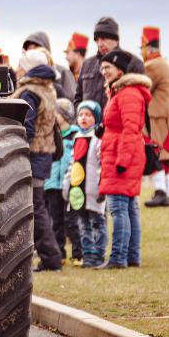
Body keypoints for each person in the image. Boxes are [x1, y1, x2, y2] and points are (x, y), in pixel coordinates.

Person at [98, 49, 151, 269]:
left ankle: (118, 257)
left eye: (107, 67)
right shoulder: (120, 92)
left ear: (120, 69)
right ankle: (131, 256)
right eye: (102, 68)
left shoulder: (128, 94)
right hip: (119, 153)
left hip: (121, 156)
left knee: (119, 208)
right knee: (129, 208)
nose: (104, 71)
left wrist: (122, 160)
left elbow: (131, 129)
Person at [12, 48, 62, 272]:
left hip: (31, 156)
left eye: (21, 65)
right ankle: (50, 257)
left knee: (34, 207)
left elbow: (26, 128)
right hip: (44, 154)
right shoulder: (47, 89)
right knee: (37, 206)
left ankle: (51, 258)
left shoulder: (29, 92)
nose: (18, 69)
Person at [140, 27, 169, 208]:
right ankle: (166, 193)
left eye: (142, 48)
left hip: (157, 116)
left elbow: (142, 85)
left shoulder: (153, 66)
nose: (141, 52)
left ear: (148, 47)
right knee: (163, 157)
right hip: (165, 114)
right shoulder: (162, 63)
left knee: (154, 153)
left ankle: (160, 192)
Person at [64, 100, 105, 268]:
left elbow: (102, 163)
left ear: (96, 118)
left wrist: (102, 186)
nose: (84, 118)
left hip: (93, 189)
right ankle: (87, 255)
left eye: (88, 115)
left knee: (97, 223)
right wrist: (67, 185)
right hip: (78, 191)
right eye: (81, 115)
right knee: (83, 224)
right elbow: (72, 164)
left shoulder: (98, 138)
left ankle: (98, 255)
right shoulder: (77, 137)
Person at [74, 16, 145, 109]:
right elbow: (78, 99)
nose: (99, 44)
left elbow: (140, 101)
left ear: (116, 40)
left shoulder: (133, 63)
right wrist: (81, 115)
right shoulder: (87, 64)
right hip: (88, 119)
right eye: (97, 40)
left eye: (103, 39)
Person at [45, 98, 80, 263]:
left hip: (70, 184)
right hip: (52, 184)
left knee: (71, 220)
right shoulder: (50, 135)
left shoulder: (75, 135)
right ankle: (60, 253)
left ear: (65, 115)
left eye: (56, 113)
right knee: (55, 220)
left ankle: (78, 253)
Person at [23, 32, 75, 99]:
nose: (32, 51)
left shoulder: (63, 72)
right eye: (29, 49)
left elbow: (70, 100)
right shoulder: (25, 75)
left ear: (45, 50)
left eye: (35, 48)